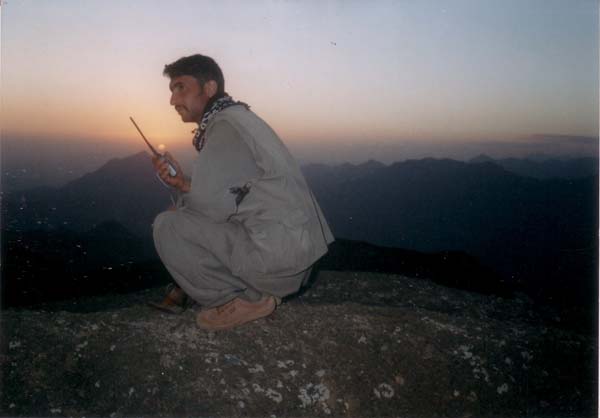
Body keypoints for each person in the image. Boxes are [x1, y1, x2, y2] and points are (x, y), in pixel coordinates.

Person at [151, 54, 334, 330]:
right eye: (171, 90)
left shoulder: (224, 126)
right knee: (184, 212)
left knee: (168, 225)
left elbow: (208, 207)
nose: (172, 100)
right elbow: (229, 191)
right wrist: (183, 184)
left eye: (180, 88)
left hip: (278, 263)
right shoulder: (237, 118)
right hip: (293, 257)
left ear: (209, 88)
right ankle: (249, 292)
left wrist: (182, 202)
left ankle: (241, 301)